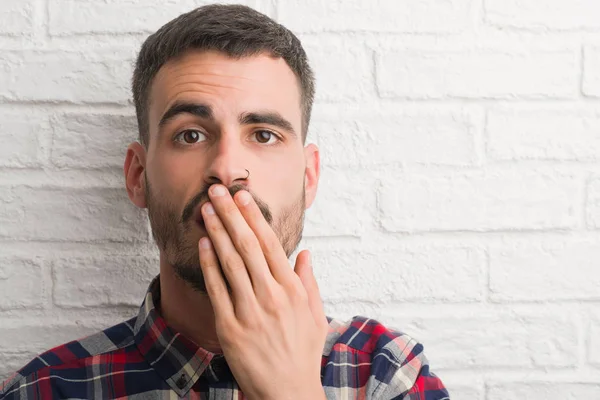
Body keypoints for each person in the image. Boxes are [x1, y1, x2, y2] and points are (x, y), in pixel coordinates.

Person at [0, 4, 449, 399]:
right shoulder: (46, 389)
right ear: (138, 177)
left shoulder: (387, 374)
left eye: (264, 135)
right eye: (191, 135)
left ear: (309, 178)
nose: (228, 167)